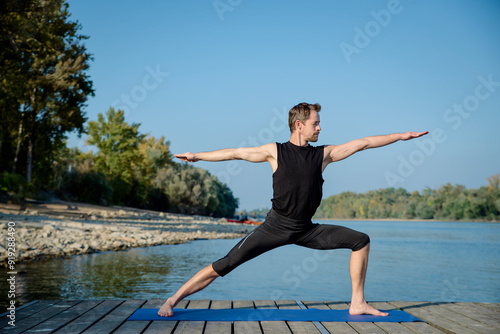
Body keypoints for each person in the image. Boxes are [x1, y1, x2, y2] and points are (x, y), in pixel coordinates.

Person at [158, 102, 428, 317]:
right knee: (226, 264)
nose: (320, 128)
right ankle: (172, 299)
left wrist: (402, 136)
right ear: (299, 125)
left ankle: (358, 302)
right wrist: (197, 156)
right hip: (275, 227)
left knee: (361, 241)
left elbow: (364, 142)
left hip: (306, 230)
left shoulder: (323, 155)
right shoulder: (274, 151)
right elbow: (235, 153)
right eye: (316, 123)